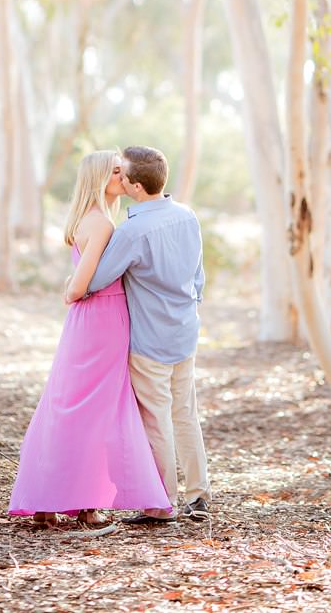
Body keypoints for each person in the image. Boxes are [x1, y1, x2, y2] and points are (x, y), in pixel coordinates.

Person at [8, 150, 171, 526]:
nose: (123, 175)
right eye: (116, 171)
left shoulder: (92, 219)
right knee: (93, 413)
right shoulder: (102, 224)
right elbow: (79, 286)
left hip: (91, 323)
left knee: (71, 407)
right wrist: (70, 287)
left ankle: (55, 503)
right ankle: (81, 504)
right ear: (101, 179)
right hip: (102, 321)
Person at [72, 145, 211, 525]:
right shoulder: (187, 216)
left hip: (150, 340)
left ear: (134, 186)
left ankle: (160, 502)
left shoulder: (132, 231)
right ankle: (198, 495)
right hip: (185, 331)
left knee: (156, 420)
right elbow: (199, 275)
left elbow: (95, 282)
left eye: (122, 173)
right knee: (185, 413)